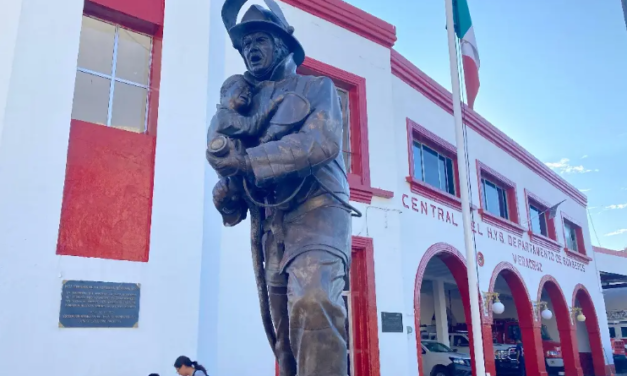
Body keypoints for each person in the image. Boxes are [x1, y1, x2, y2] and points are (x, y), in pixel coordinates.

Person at [206, 1, 352, 375]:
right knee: (284, 339)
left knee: (313, 300)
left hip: (319, 212)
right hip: (275, 226)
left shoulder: (318, 88)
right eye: (246, 42)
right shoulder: (245, 106)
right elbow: (241, 183)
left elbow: (320, 142)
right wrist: (228, 198)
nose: (251, 47)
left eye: (261, 39)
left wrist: (247, 161)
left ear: (284, 45)